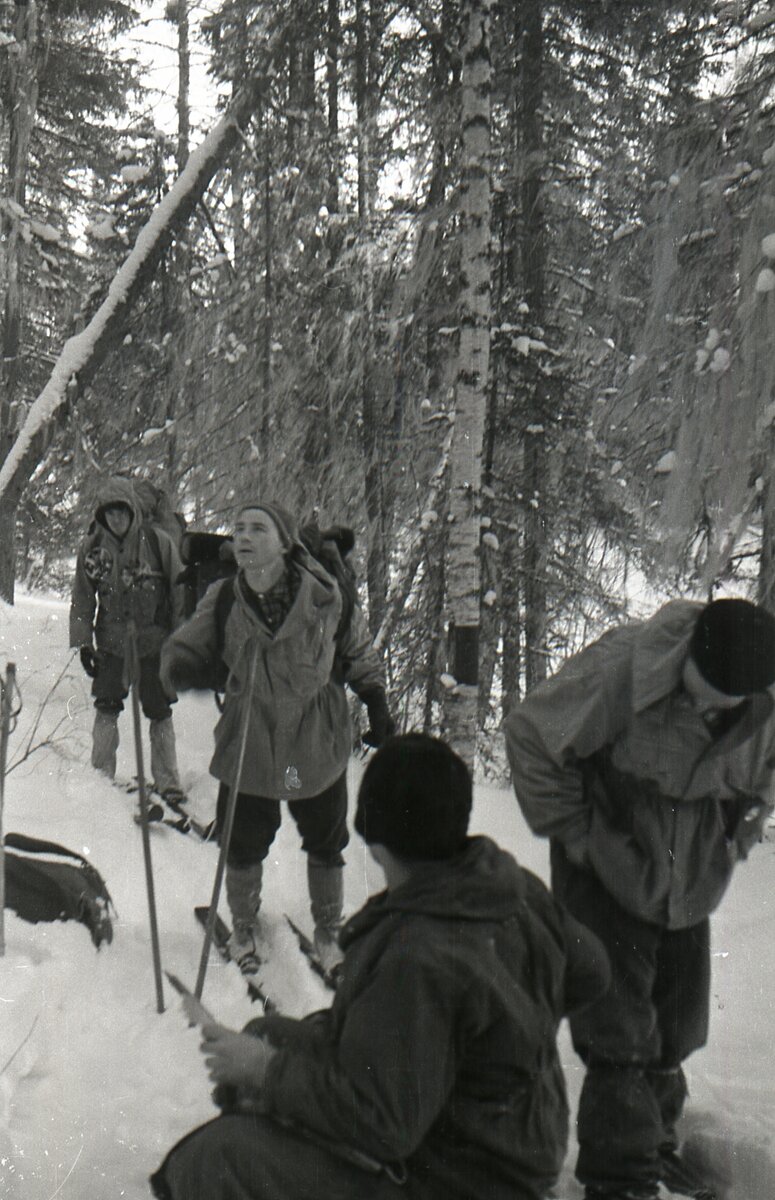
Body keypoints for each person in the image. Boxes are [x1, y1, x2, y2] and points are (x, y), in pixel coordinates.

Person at [150, 732, 611, 1200]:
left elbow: (384, 1124)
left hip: (464, 1175)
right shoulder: (509, 884)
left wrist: (265, 1073)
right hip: (513, 1136)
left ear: (376, 842)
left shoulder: (419, 956)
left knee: (218, 1159)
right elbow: (592, 970)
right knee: (267, 1032)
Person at [504, 596, 775, 1200]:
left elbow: (765, 773)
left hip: (691, 875)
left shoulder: (765, 699)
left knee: (676, 1027)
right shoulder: (624, 668)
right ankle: (619, 1178)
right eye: (700, 690)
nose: (705, 707)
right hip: (606, 858)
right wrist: (575, 834)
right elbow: (531, 735)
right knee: (617, 1032)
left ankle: (653, 1143)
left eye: (722, 703)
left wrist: (744, 826)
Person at [159, 501, 394, 973]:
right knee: (244, 839)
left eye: (258, 529)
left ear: (284, 544)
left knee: (324, 838)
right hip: (253, 739)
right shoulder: (225, 596)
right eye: (240, 528)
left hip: (309, 743)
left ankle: (329, 934)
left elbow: (356, 648)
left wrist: (376, 699)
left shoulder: (325, 596)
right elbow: (189, 642)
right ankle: (243, 928)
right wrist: (176, 667)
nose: (244, 536)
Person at [69, 476, 185, 801]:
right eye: (110, 513)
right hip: (111, 643)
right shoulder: (92, 549)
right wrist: (84, 643)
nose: (116, 519)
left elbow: (179, 590)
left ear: (132, 510)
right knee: (106, 705)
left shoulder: (157, 542)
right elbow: (82, 598)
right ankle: (100, 775)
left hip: (154, 643)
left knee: (159, 709)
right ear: (102, 515)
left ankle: (167, 780)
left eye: (122, 511)